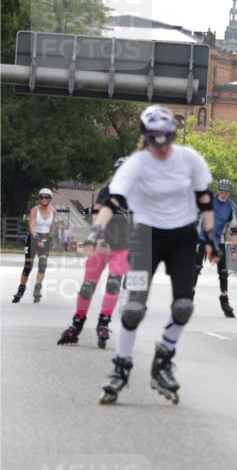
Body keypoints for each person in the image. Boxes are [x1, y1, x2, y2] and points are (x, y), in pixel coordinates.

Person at [85, 105, 220, 404]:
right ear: (145, 139)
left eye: (167, 140)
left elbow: (205, 200)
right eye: (154, 142)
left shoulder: (189, 159)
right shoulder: (137, 163)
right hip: (145, 237)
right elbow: (112, 199)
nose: (161, 148)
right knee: (133, 307)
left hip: (183, 237)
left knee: (184, 306)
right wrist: (97, 230)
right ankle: (121, 367)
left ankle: (163, 358)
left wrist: (211, 237)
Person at [57, 158, 131, 349]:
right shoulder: (106, 191)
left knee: (114, 284)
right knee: (87, 287)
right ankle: (77, 323)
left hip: (122, 247)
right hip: (102, 243)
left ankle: (103, 323)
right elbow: (97, 216)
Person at [193, 178, 237, 317]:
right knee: (195, 269)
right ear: (217, 191)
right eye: (221, 191)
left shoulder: (231, 206)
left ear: (229, 194)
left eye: (226, 192)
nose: (223, 194)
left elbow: (235, 230)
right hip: (201, 239)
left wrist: (233, 249)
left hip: (218, 240)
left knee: (223, 272)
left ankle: (224, 300)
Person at [12, 188, 57, 303]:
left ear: (50, 199)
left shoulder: (53, 211)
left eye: (46, 197)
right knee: (28, 266)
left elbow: (52, 226)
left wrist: (51, 239)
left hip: (45, 238)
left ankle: (37, 288)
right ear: (39, 198)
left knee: (42, 265)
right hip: (33, 238)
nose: (44, 199)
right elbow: (31, 226)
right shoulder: (34, 210)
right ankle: (21, 289)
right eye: (41, 197)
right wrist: (38, 239)